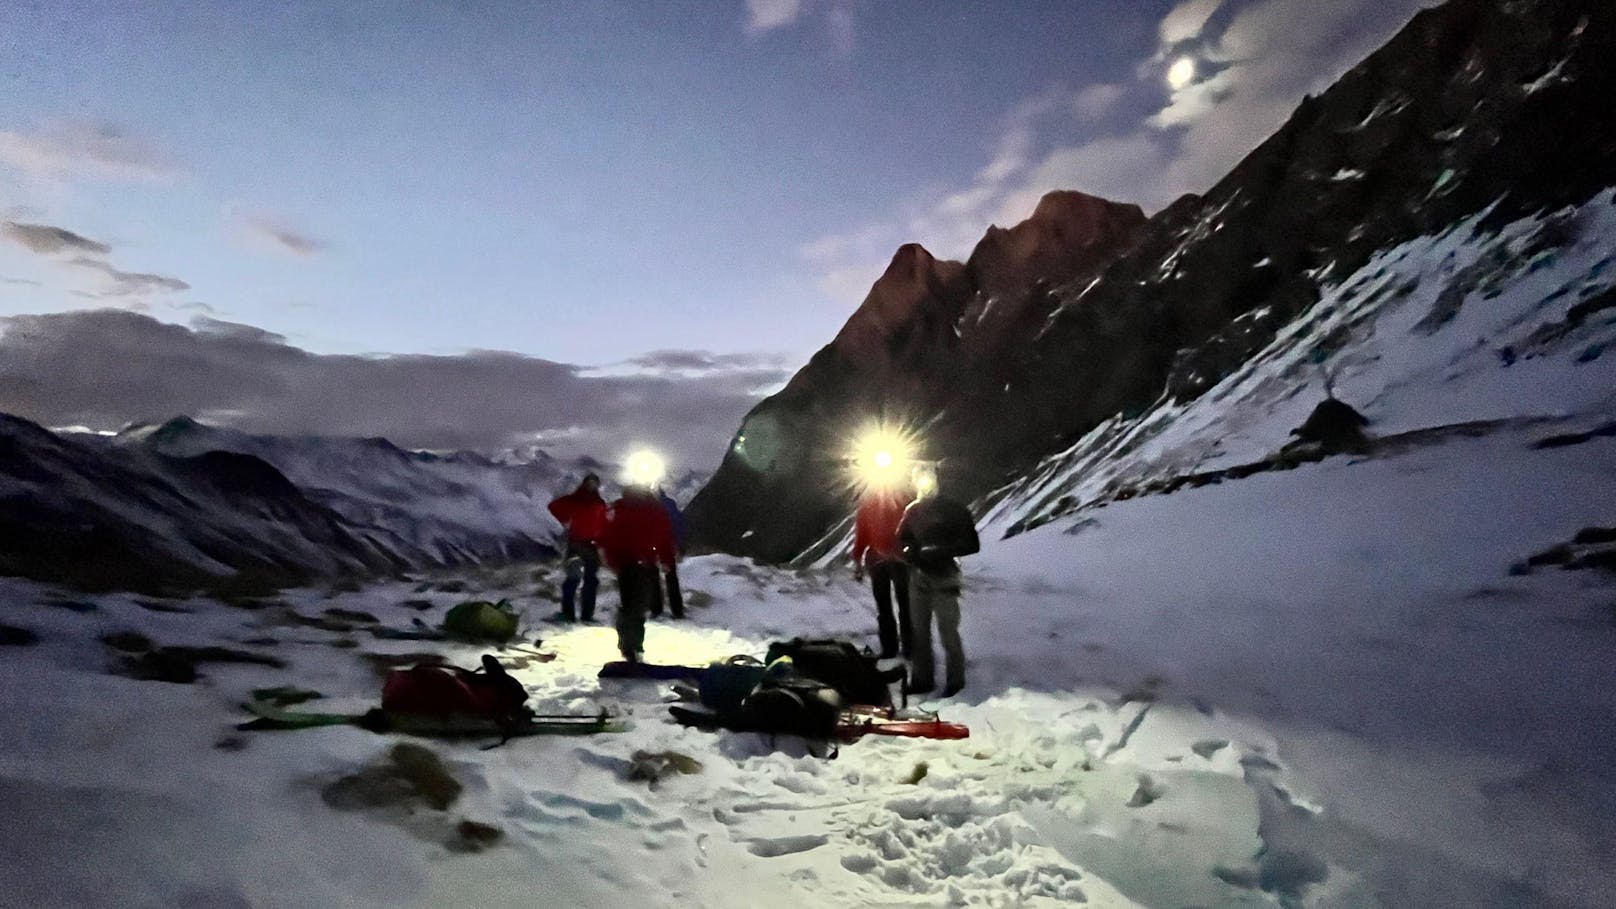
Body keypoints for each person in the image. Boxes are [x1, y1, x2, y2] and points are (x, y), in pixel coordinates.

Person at [897, 466, 979, 698]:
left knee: (948, 630)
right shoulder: (912, 511)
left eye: (928, 479)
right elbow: (903, 538)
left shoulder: (954, 510)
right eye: (919, 479)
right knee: (919, 632)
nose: (924, 483)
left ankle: (956, 679)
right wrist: (910, 551)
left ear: (936, 480)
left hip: (945, 575)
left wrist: (940, 550)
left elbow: (972, 543)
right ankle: (923, 679)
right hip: (919, 576)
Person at [599, 482, 678, 663]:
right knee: (637, 606)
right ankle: (631, 647)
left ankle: (630, 646)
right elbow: (663, 537)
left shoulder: (620, 510)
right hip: (639, 563)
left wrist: (613, 562)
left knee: (633, 606)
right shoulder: (652, 511)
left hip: (631, 564)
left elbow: (607, 538)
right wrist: (666, 560)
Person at [851, 482, 914, 659]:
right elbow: (861, 537)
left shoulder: (868, 507)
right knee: (901, 605)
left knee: (891, 606)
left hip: (883, 561)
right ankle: (906, 647)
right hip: (894, 561)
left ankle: (892, 648)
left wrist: (858, 563)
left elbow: (861, 538)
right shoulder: (901, 504)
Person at [547, 473, 608, 623]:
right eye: (591, 482)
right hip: (582, 545)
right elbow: (553, 506)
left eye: (594, 482)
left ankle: (579, 615)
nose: (592, 485)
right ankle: (577, 615)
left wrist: (565, 519)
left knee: (584, 581)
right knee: (580, 580)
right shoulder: (591, 502)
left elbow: (554, 506)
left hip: (583, 545)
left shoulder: (591, 502)